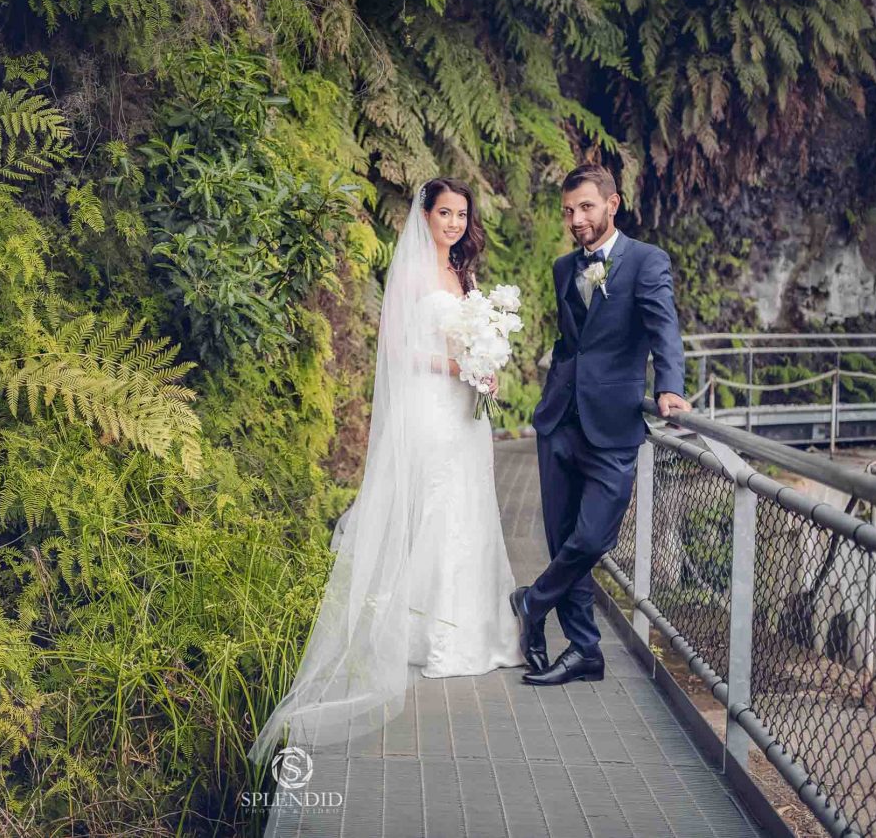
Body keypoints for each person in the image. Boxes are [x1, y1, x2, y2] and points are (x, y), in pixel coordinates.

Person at [249, 177, 521, 768]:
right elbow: (398, 350)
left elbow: (473, 341)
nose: (454, 223)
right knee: (434, 509)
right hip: (429, 406)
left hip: (465, 412)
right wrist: (457, 366)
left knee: (470, 509)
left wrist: (485, 367)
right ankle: (428, 635)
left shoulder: (464, 274)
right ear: (425, 216)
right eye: (445, 213)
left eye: (461, 215)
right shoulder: (415, 275)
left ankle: (474, 631)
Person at [510, 163, 690, 687]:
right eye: (568, 210)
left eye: (586, 207)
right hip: (559, 422)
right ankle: (585, 651)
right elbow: (572, 343)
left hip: (612, 425)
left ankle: (532, 601)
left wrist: (669, 387)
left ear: (613, 204)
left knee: (592, 537)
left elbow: (664, 328)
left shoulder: (647, 261)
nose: (576, 219)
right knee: (564, 538)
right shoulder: (563, 268)